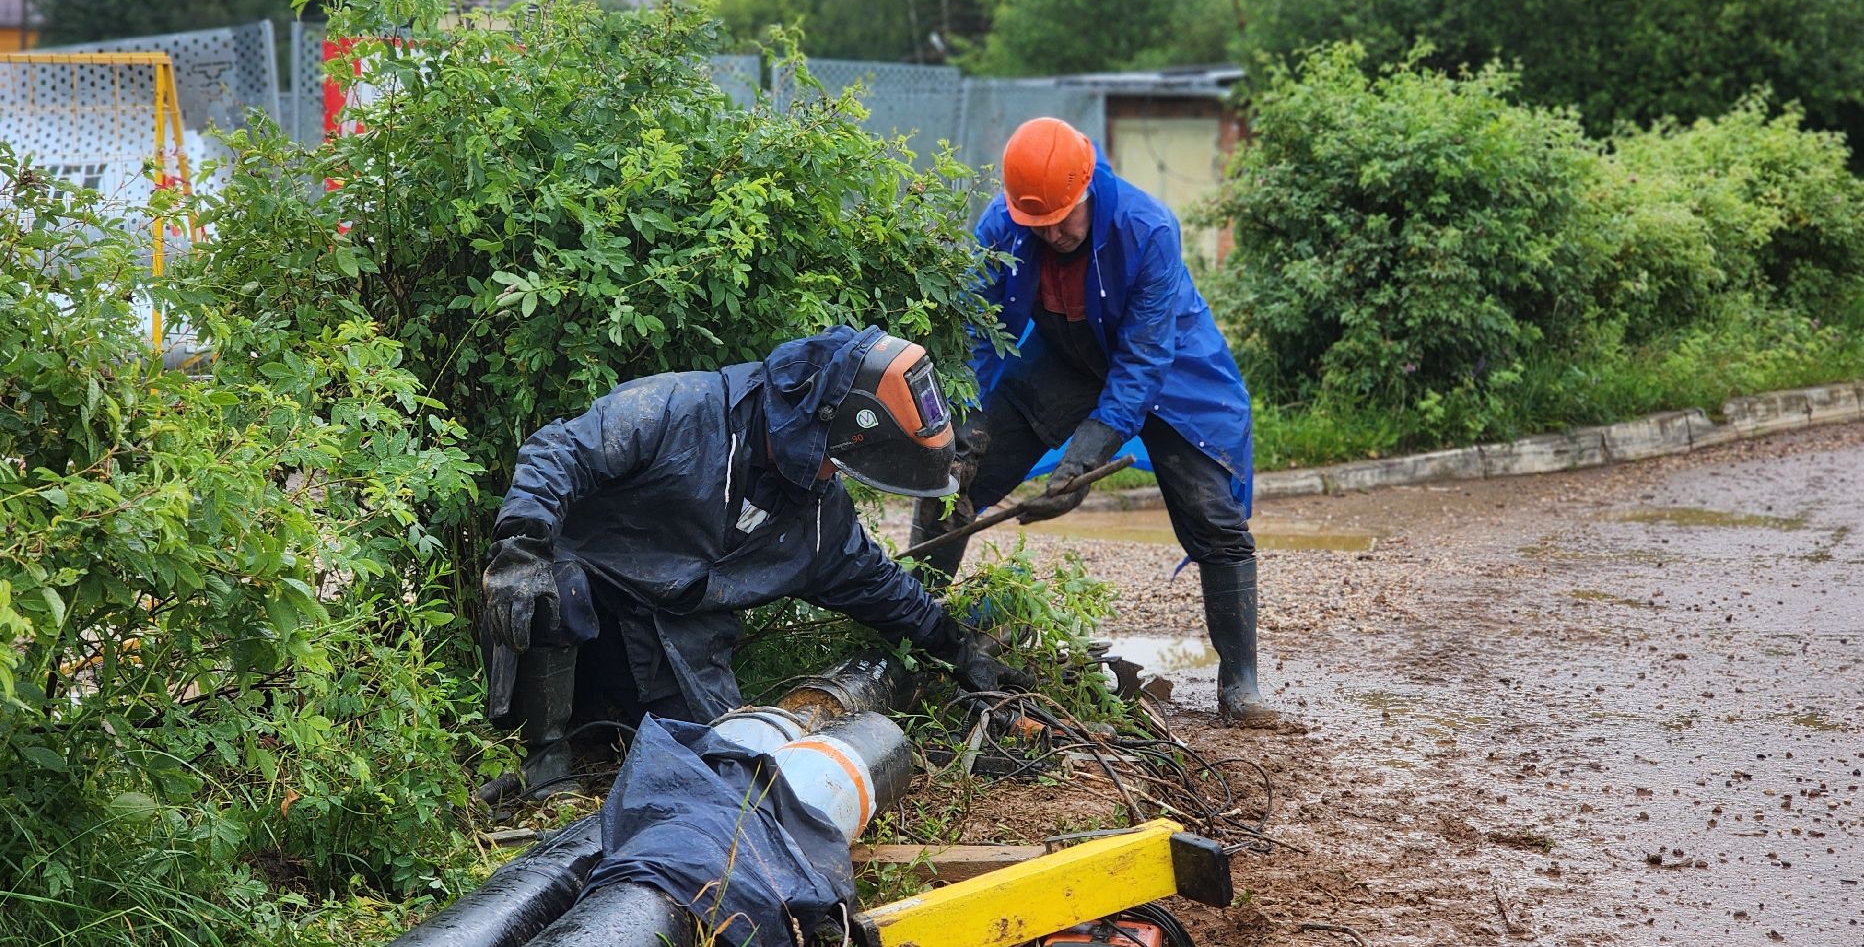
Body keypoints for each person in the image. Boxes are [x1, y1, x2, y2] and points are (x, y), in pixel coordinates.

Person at [479, 326, 1030, 797]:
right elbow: (561, 450)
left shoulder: (818, 517)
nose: (832, 478)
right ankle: (541, 762)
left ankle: (606, 731)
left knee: (726, 765)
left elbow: (878, 586)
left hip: (675, 641)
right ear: (820, 425)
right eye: (835, 463)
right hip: (587, 597)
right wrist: (520, 545)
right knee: (552, 584)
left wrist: (959, 649)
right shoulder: (684, 410)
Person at [911, 117, 1278, 728]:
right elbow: (976, 327)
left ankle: (1240, 683)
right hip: (1066, 355)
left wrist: (1083, 460)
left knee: (1215, 521)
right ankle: (910, 637)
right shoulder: (1002, 224)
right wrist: (967, 420)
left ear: (1087, 187)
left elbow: (1142, 363)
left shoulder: (1146, 227)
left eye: (1063, 217)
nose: (1051, 233)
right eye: (1037, 223)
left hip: (1171, 366)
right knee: (951, 485)